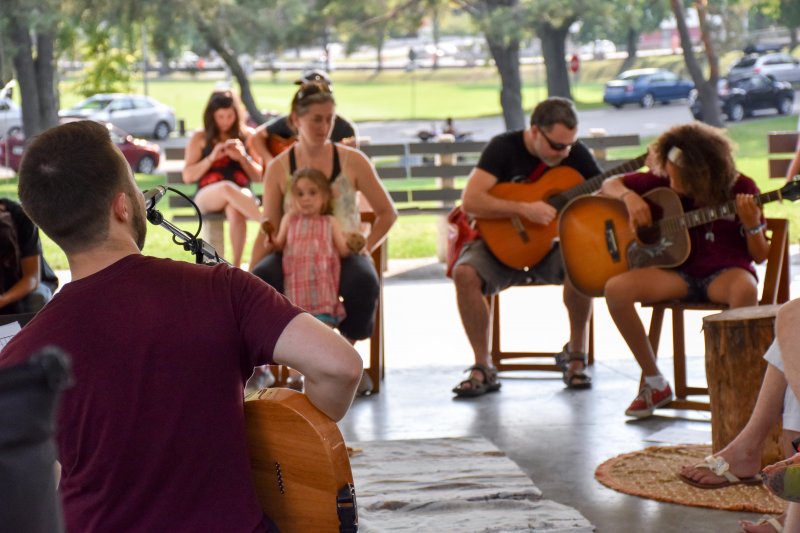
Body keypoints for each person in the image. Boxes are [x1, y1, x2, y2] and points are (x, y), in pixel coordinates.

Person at [0, 120, 362, 532]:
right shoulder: (222, 288)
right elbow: (341, 367)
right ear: (122, 207)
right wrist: (294, 441)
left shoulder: (20, 359)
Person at [599, 122, 770, 418]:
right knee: (616, 290)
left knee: (745, 288)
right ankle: (654, 381)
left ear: (702, 173)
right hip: (676, 272)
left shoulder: (742, 188)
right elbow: (609, 184)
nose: (672, 183)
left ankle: (735, 383)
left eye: (680, 178)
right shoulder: (663, 178)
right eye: (669, 173)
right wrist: (629, 197)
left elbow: (761, 255)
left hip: (724, 273)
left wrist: (752, 224)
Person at [248, 80, 396, 393]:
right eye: (316, 119)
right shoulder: (279, 167)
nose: (324, 126)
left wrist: (365, 247)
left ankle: (343, 361)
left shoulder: (353, 161)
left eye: (329, 119)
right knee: (262, 280)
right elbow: (269, 226)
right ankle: (290, 364)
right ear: (295, 120)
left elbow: (387, 213)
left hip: (341, 251)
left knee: (364, 280)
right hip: (294, 251)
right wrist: (248, 277)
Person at [450, 97, 601, 397]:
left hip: (552, 248)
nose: (565, 153)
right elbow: (471, 201)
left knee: (582, 266)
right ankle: (482, 366)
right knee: (464, 273)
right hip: (499, 246)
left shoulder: (575, 153)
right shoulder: (502, 148)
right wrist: (523, 209)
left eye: (570, 145)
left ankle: (575, 357)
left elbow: (604, 187)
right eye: (557, 146)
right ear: (534, 132)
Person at [183, 90, 263, 268]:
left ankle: (235, 267)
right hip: (207, 196)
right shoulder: (200, 137)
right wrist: (212, 158)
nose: (225, 121)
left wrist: (243, 158)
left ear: (237, 114)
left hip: (240, 196)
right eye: (220, 117)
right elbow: (188, 176)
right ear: (212, 116)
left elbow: (259, 177)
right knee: (226, 187)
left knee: (234, 208)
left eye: (230, 116)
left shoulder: (247, 136)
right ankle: (267, 224)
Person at [266, 167, 350, 327]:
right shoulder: (289, 220)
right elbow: (279, 245)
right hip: (296, 285)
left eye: (312, 193)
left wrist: (355, 245)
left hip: (323, 288)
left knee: (324, 331)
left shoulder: (330, 222)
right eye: (300, 194)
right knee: (298, 327)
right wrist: (271, 241)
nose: (306, 199)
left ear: (325, 197)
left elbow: (343, 250)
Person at [246, 70, 358, 167]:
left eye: (309, 91)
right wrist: (271, 162)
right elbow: (257, 137)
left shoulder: (345, 128)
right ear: (296, 120)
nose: (324, 126)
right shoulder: (289, 120)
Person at [0, 197, 58, 314]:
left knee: (36, 297)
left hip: (27, 284)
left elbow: (32, 278)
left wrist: (3, 300)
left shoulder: (21, 217)